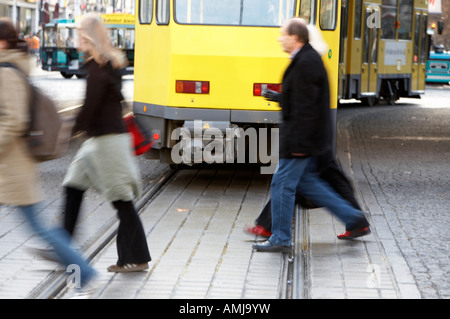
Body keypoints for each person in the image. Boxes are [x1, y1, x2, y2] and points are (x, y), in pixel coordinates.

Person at [253, 18, 370, 253]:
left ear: (295, 38)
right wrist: (279, 97)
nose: (279, 38)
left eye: (283, 35)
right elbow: (301, 100)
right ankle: (354, 217)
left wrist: (299, 145)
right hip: (306, 140)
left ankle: (281, 237)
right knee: (309, 185)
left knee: (282, 184)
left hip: (300, 141)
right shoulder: (305, 59)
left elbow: (306, 109)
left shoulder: (306, 62)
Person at [0, 17, 96, 288]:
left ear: (2, 42)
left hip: (11, 166)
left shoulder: (6, 72)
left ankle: (83, 271)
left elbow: (14, 119)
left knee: (38, 227)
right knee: (37, 225)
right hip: (12, 165)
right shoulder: (11, 68)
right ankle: (83, 270)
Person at [61, 15, 151, 272]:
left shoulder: (100, 69)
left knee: (121, 200)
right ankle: (63, 249)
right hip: (98, 140)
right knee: (73, 186)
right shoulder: (103, 64)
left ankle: (136, 257)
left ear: (89, 38)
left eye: (79, 34)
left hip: (108, 141)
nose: (76, 39)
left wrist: (67, 133)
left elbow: (90, 109)